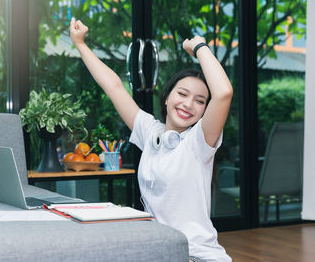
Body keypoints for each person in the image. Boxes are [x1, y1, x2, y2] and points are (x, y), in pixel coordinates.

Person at [70, 17, 233, 262]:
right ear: (167, 98)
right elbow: (114, 86)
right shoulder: (151, 133)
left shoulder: (199, 142)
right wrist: (80, 44)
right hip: (160, 250)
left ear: (204, 111)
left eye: (200, 101)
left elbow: (223, 92)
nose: (189, 104)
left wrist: (200, 46)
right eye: (182, 93)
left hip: (196, 256)